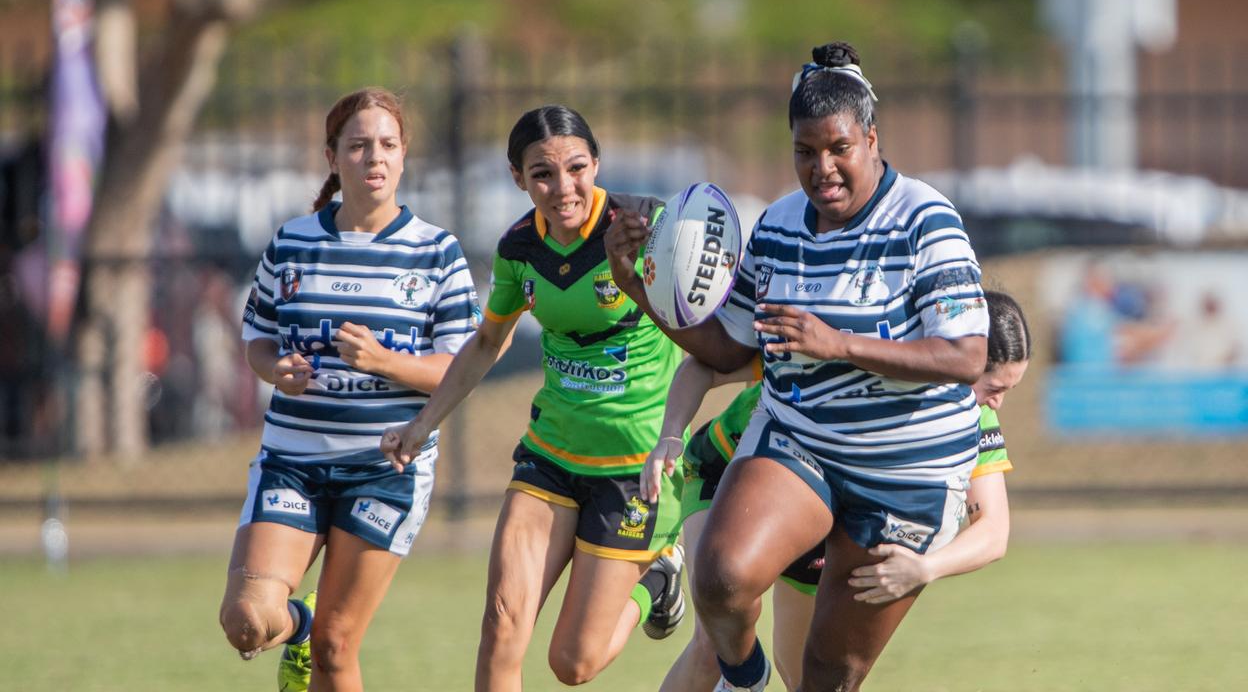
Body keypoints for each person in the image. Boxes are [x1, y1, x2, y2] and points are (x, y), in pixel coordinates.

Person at [605, 41, 989, 691]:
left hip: (906, 470)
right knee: (721, 581)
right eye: (805, 152)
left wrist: (838, 343)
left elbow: (967, 357)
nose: (823, 168)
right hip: (802, 444)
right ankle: (744, 682)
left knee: (825, 675)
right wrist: (635, 285)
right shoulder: (780, 227)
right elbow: (728, 349)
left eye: (839, 148)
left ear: (871, 138)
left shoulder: (925, 219)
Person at [381, 105, 687, 691]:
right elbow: (487, 342)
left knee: (573, 664)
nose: (563, 187)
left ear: (596, 163)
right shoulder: (519, 247)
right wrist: (422, 425)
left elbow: (708, 323)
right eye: (542, 174)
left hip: (635, 469)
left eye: (576, 167)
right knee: (501, 626)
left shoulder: (647, 225)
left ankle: (659, 581)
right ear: (518, 178)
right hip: (551, 456)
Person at [219, 87, 478, 692]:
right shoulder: (291, 242)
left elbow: (461, 366)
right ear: (332, 157)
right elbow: (256, 336)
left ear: (405, 154)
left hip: (384, 466)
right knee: (246, 622)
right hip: (293, 461)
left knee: (339, 646)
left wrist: (386, 361)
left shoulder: (436, 251)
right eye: (358, 146)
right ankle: (297, 624)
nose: (374, 158)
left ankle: (317, 632)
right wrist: (274, 370)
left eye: (387, 145)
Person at [642, 291, 1031, 691]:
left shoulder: (973, 419)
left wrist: (925, 568)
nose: (997, 403)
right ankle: (742, 675)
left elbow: (993, 530)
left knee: (811, 680)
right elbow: (705, 366)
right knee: (715, 643)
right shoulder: (859, 349)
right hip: (722, 470)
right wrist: (671, 431)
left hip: (822, 518)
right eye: (995, 386)